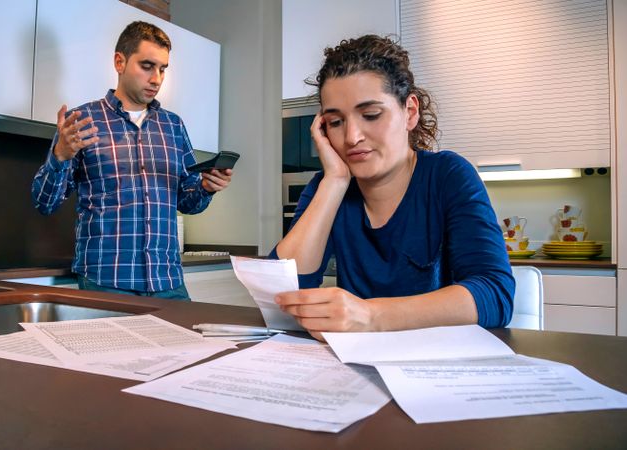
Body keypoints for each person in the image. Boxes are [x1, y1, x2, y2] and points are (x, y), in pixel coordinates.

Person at [272, 35, 514, 340]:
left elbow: (495, 294)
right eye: (335, 122)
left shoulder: (448, 175)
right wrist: (334, 180)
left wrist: (371, 316)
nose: (351, 137)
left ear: (409, 112)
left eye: (371, 115)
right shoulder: (328, 186)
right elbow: (281, 293)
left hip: (439, 361)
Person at [32, 21, 232, 300]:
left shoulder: (173, 126)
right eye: (147, 66)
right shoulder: (82, 122)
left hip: (168, 282)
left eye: (163, 69)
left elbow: (188, 202)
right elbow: (44, 202)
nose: (157, 79)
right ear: (119, 62)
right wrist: (60, 156)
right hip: (107, 282)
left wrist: (207, 187)